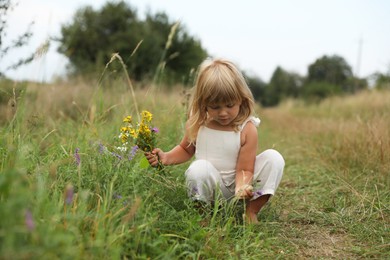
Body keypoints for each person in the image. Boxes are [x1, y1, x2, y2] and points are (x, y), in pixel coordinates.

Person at [145, 58, 284, 223]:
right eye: (215, 107)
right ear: (204, 103)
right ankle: (203, 216)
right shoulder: (198, 124)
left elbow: (245, 169)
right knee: (198, 168)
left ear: (241, 99)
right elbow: (185, 149)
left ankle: (251, 211)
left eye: (230, 105)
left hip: (239, 186)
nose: (223, 113)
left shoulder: (247, 128)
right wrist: (165, 157)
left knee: (274, 158)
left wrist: (242, 187)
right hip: (211, 190)